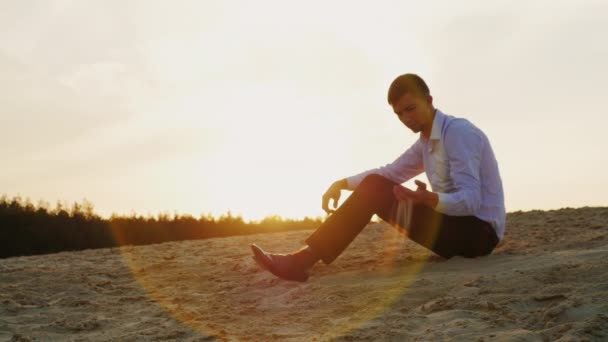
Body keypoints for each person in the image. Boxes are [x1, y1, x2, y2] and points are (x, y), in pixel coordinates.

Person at [251, 73, 505, 282]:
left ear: (428, 100)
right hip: (454, 227)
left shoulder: (458, 133)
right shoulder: (426, 142)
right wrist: (342, 184)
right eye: (400, 114)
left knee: (376, 187)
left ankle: (301, 261)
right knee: (377, 185)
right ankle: (304, 259)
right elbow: (389, 173)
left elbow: (471, 200)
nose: (406, 119)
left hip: (478, 236)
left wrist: (428, 199)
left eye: (411, 109)